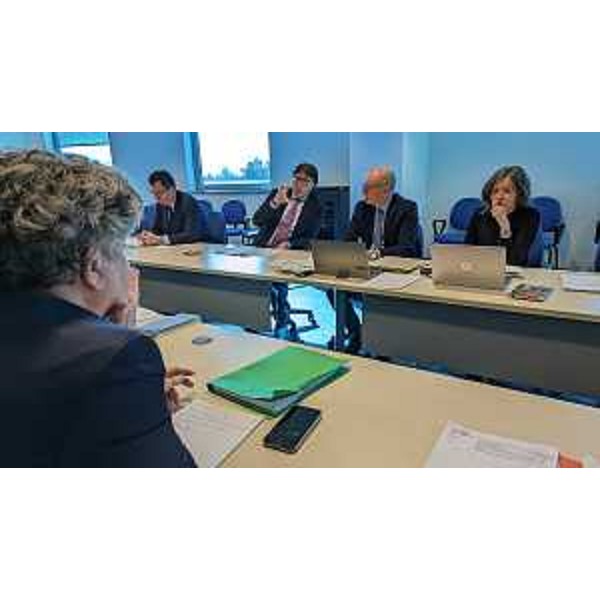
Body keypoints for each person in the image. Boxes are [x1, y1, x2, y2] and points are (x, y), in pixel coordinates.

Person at [0, 150, 196, 467]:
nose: (127, 264)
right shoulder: (115, 358)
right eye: (121, 249)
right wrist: (120, 339)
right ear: (93, 267)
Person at [330, 166, 421, 353]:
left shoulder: (407, 208)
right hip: (368, 269)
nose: (363, 191)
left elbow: (407, 248)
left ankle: (382, 345)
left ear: (386, 188)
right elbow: (348, 240)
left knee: (378, 297)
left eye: (369, 187)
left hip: (395, 272)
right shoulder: (362, 207)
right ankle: (357, 333)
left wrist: (378, 253)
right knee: (335, 290)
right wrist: (345, 253)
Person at [252, 163, 322, 334]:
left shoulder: (316, 206)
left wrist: (290, 244)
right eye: (297, 179)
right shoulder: (279, 194)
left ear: (313, 185)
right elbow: (257, 220)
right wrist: (275, 203)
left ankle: (282, 320)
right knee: (252, 282)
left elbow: (310, 238)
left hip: (288, 252)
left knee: (277, 281)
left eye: (305, 181)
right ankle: (257, 318)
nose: (299, 184)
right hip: (263, 249)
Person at [465, 165, 540, 266]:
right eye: (495, 191)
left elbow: (515, 261)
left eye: (507, 191)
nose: (499, 196)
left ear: (519, 195)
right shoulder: (479, 214)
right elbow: (467, 253)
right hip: (482, 270)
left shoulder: (530, 216)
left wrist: (504, 227)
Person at [138, 170, 203, 246]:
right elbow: (158, 229)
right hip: (173, 248)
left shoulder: (188, 202)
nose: (156, 197)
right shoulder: (161, 205)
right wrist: (149, 235)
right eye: (154, 193)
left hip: (196, 247)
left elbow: (191, 234)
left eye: (159, 192)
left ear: (172, 189)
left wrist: (162, 240)